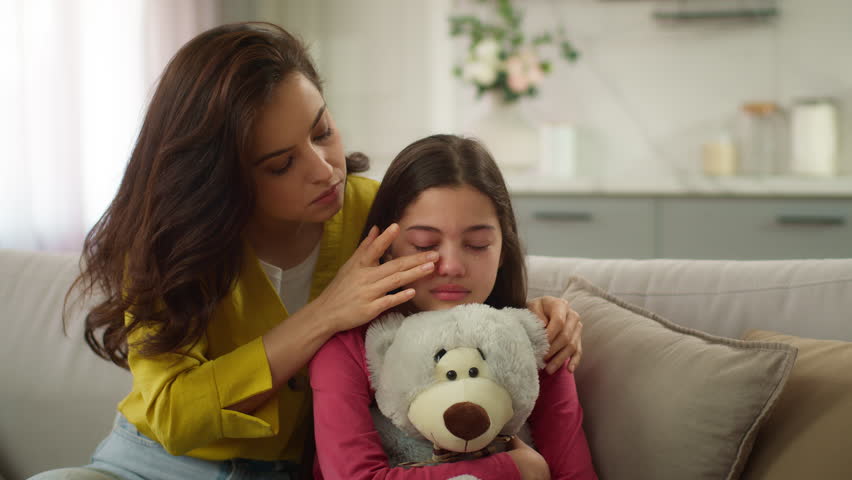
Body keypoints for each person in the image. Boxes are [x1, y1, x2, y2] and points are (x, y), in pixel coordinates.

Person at [30, 23, 582, 480]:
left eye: (323, 132)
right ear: (220, 176)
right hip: (154, 465)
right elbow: (172, 416)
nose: (324, 170)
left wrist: (543, 315)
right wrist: (325, 315)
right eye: (279, 164)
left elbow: (461, 278)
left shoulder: (373, 213)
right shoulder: (170, 243)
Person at [310, 134, 597, 480]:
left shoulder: (537, 338)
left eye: (477, 245)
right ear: (386, 247)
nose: (451, 266)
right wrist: (513, 469)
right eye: (424, 244)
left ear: (503, 249)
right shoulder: (350, 350)